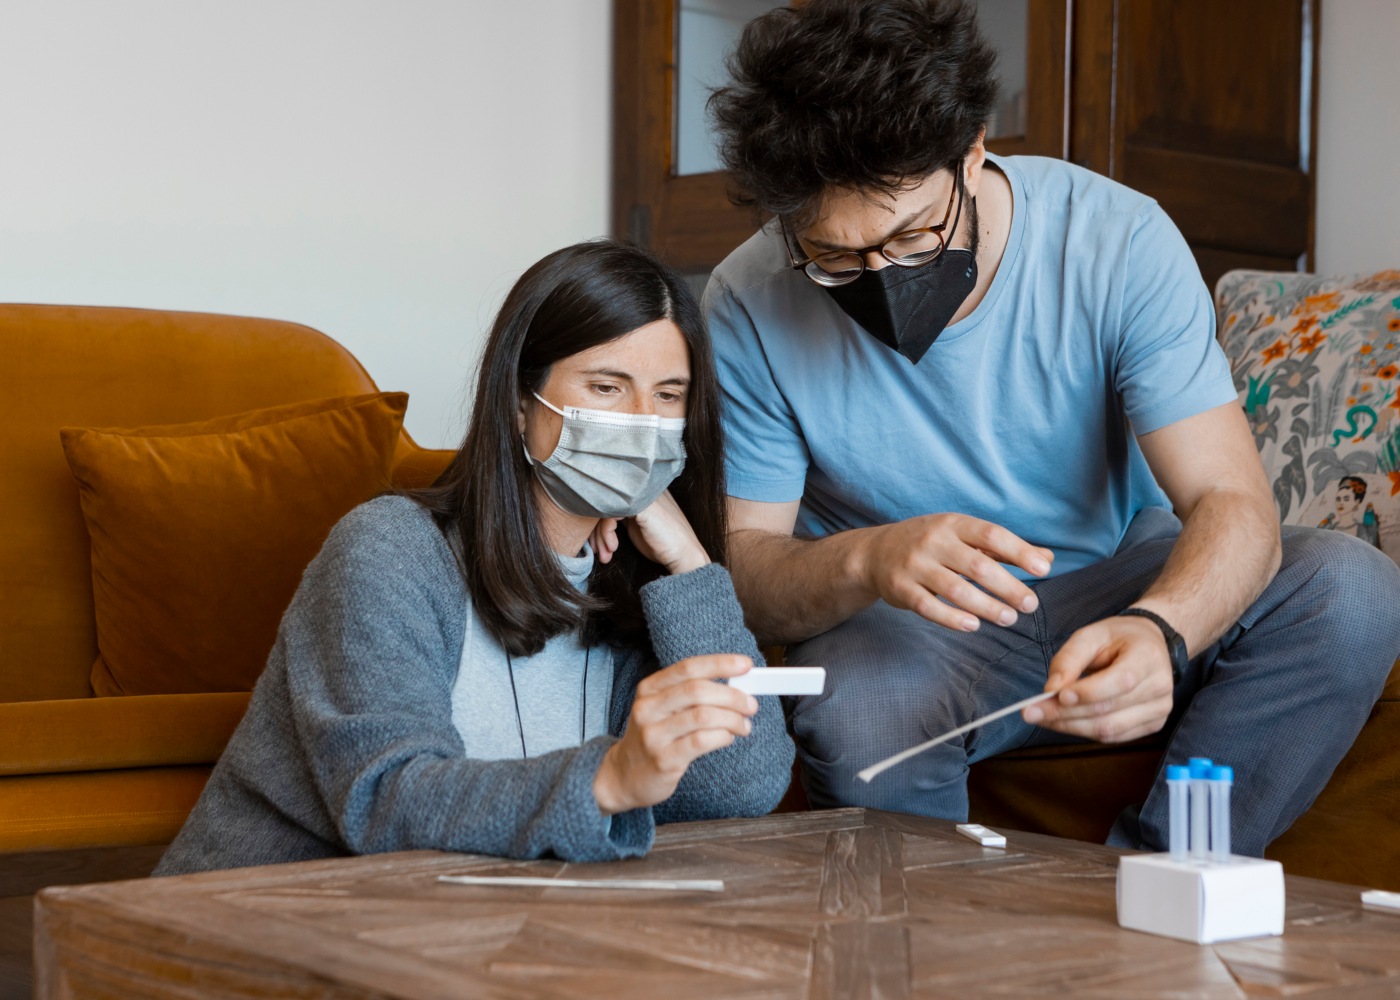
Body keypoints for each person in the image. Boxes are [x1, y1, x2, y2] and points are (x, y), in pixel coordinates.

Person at [702, 0, 1400, 856]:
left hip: (1117, 580)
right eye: (836, 258)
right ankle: (943, 953)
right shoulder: (747, 297)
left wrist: (1162, 629)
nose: (881, 277)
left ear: (973, 151)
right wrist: (869, 558)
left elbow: (1228, 497)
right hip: (915, 632)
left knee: (1349, 589)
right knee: (860, 701)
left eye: (916, 235)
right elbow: (746, 571)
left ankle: (1155, 883)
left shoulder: (1118, 239)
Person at [156, 240, 793, 875]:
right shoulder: (389, 551)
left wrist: (688, 565)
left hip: (451, 929)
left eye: (668, 396)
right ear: (520, 405)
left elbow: (740, 790)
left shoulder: (635, 587)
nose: (640, 423)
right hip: (253, 921)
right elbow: (386, 802)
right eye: (607, 386)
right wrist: (610, 778)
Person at [1319, 476, 1381, 548]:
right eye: (1338, 499)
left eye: (1346, 499)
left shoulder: (1364, 531)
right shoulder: (1328, 529)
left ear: (1357, 502)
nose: (1341, 503)